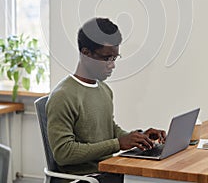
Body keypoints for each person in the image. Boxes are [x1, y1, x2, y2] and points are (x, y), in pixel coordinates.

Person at [46, 17, 166, 183]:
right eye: (106, 58)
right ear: (86, 53)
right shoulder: (63, 96)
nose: (112, 65)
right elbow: (63, 153)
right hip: (84, 179)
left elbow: (108, 129)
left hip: (108, 171)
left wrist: (137, 137)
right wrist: (118, 144)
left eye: (114, 58)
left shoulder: (104, 90)